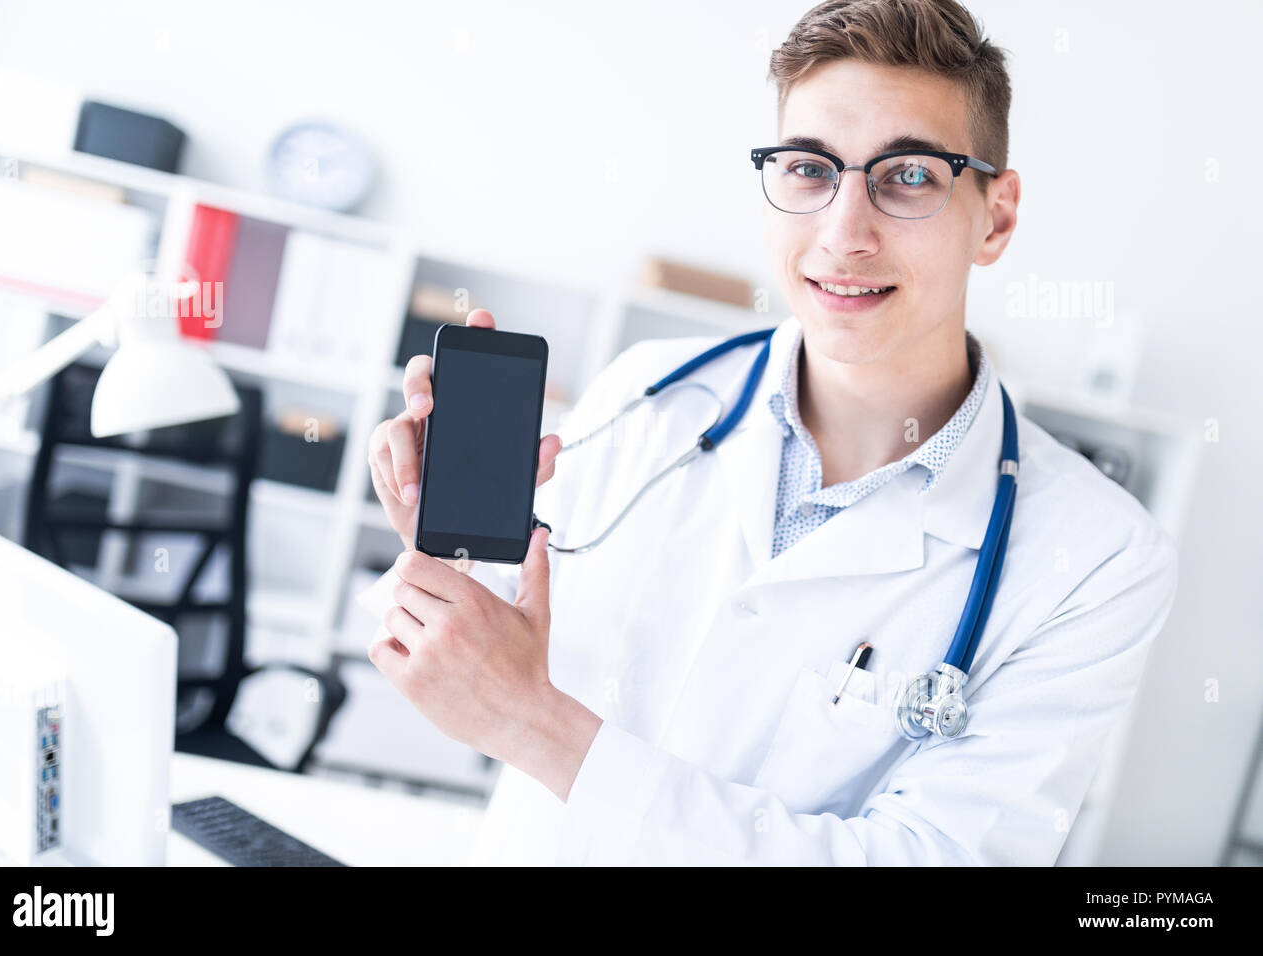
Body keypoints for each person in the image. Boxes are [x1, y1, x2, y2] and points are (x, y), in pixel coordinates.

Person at [364, 0, 1178, 865]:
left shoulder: (1096, 560)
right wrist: (441, 548)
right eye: (809, 169)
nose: (845, 234)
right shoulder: (649, 395)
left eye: (908, 176)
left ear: (997, 216)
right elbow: (466, 667)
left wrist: (536, 726)